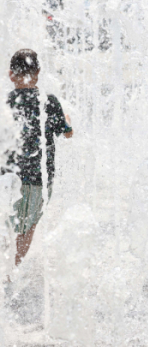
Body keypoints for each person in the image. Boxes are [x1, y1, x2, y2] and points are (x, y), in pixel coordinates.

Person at [4, 49, 73, 267]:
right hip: (37, 181)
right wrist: (67, 118)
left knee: (6, 224)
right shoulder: (49, 102)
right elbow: (67, 132)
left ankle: (5, 270)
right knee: (26, 228)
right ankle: (12, 271)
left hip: (8, 177)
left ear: (10, 75)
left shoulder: (5, 102)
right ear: (39, 72)